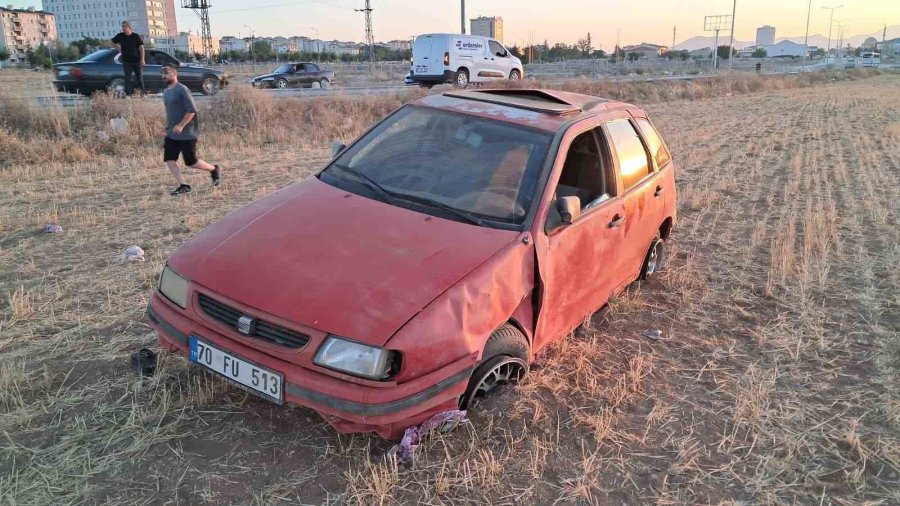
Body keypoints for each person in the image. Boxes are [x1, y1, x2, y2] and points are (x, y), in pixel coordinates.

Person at [161, 64, 221, 195]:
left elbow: (192, 110)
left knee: (191, 162)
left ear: (174, 73)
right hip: (172, 134)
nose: (163, 76)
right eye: (162, 73)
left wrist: (181, 125)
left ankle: (213, 169)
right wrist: (167, 128)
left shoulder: (182, 89)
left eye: (166, 73)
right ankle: (184, 185)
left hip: (187, 133)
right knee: (170, 159)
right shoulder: (166, 92)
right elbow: (171, 113)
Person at [112, 21, 145, 96]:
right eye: (122, 27)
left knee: (139, 78)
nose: (123, 28)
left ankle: (143, 94)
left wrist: (142, 59)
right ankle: (128, 95)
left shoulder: (135, 36)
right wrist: (118, 48)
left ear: (129, 27)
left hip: (137, 61)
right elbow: (111, 42)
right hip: (126, 61)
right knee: (127, 78)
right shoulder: (120, 36)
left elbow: (142, 48)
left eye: (124, 26)